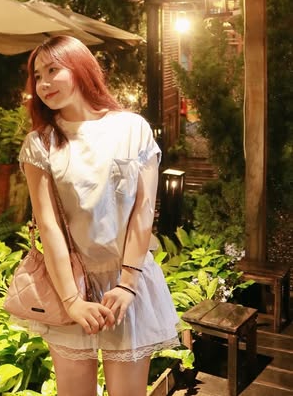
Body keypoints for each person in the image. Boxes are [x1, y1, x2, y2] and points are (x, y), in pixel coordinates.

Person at [19, 35, 180, 396]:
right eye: (37, 75)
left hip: (127, 282)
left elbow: (143, 210)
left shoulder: (131, 128)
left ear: (80, 68)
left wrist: (127, 284)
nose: (43, 83)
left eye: (53, 70)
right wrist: (72, 301)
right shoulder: (40, 143)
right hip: (71, 286)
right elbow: (49, 226)